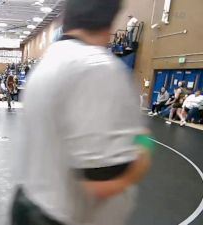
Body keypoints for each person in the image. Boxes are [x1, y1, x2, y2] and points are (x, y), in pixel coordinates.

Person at [11, 1, 152, 225]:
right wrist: (145, 144)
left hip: (30, 203)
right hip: (61, 216)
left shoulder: (47, 63)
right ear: (109, 25)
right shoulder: (98, 68)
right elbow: (102, 184)